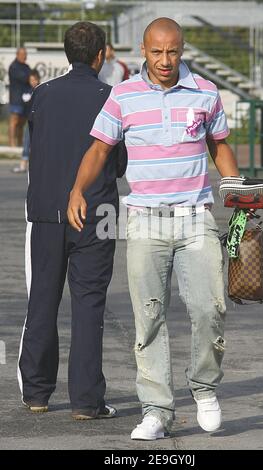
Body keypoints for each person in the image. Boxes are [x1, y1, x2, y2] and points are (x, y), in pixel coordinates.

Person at [68, 17, 240, 438]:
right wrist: (77, 190)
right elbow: (98, 149)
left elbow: (220, 145)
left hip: (196, 217)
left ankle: (204, 389)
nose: (166, 60)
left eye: (174, 52)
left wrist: (237, 195)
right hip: (144, 221)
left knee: (209, 308)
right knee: (149, 318)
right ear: (143, 51)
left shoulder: (206, 93)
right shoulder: (123, 97)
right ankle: (156, 412)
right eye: (157, 52)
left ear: (183, 50)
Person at [18, 22, 127, 420]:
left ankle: (36, 392)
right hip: (97, 213)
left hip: (46, 212)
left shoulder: (43, 94)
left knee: (42, 300)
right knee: (89, 303)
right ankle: (86, 399)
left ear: (67, 54)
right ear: (100, 55)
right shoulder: (112, 97)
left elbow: (37, 143)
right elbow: (117, 162)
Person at [12, 69, 40, 173]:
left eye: (34, 80)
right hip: (29, 121)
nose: (33, 82)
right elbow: (25, 100)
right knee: (26, 142)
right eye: (31, 80)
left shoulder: (40, 89)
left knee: (38, 144)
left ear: (38, 79)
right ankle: (23, 164)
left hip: (39, 121)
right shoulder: (27, 90)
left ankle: (37, 166)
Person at [8, 47, 31, 147]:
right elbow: (26, 78)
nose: (24, 56)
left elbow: (31, 79)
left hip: (25, 98)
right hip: (16, 98)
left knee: (22, 123)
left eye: (25, 54)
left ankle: (20, 143)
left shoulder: (26, 67)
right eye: (22, 54)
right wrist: (29, 78)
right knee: (14, 121)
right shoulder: (13, 67)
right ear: (17, 55)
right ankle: (11, 144)